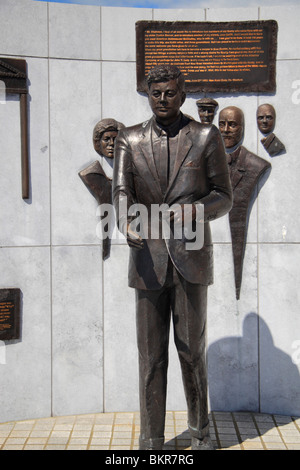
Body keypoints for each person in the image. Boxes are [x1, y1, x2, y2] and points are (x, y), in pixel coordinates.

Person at [113, 64, 232, 450]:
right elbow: (120, 193)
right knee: (150, 356)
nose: (162, 99)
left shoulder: (205, 136)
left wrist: (194, 211)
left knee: (191, 350)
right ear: (148, 95)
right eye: (156, 93)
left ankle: (200, 433)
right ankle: (151, 439)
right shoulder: (129, 139)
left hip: (192, 258)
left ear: (182, 95)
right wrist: (126, 224)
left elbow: (223, 197)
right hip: (147, 259)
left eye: (169, 93)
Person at [219, 106, 271, 299]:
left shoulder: (256, 164)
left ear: (242, 127)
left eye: (232, 125)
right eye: (222, 124)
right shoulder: (210, 162)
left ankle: (238, 289)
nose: (225, 130)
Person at [79, 118, 124, 259]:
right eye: (106, 139)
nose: (111, 144)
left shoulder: (128, 174)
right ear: (98, 142)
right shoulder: (90, 174)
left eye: (115, 139)